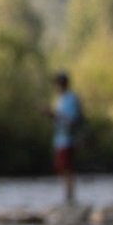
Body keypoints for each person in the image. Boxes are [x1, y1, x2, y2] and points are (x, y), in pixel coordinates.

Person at [44, 71, 82, 204]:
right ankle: (68, 197)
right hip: (59, 140)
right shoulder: (59, 99)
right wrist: (51, 115)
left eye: (57, 83)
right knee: (62, 169)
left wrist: (54, 114)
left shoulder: (71, 98)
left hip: (68, 139)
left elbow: (71, 120)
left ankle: (70, 198)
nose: (56, 86)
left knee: (67, 169)